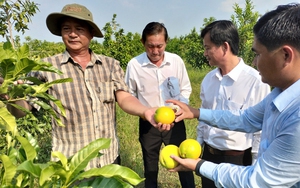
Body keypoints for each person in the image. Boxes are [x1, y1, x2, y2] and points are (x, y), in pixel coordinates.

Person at [8, 3, 173, 170]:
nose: (72, 34)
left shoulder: (109, 65)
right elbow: (22, 110)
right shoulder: (46, 68)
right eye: (66, 29)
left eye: (79, 29)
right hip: (71, 164)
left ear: (91, 33)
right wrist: (11, 96)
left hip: (109, 158)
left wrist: (145, 111)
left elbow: (124, 98)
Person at [166, 3, 300, 187]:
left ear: (286, 55)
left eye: (258, 54)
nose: (255, 61)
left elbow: (258, 181)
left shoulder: (296, 117)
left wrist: (199, 165)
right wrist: (197, 113)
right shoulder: (279, 94)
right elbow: (245, 119)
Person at [197, 20, 270, 187]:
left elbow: (260, 129)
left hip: (237, 159)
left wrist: (255, 164)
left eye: (208, 48)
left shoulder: (255, 81)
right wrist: (199, 145)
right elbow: (203, 118)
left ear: (224, 47)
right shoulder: (208, 80)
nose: (205, 53)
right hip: (209, 154)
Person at [124, 22, 195, 188]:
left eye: (159, 46)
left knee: (184, 163)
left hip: (175, 121)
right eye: (150, 46)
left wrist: (177, 109)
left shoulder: (175, 61)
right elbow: (130, 95)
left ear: (166, 43)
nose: (155, 51)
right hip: (148, 123)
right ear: (143, 42)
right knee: (150, 166)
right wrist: (145, 112)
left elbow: (185, 88)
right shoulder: (134, 65)